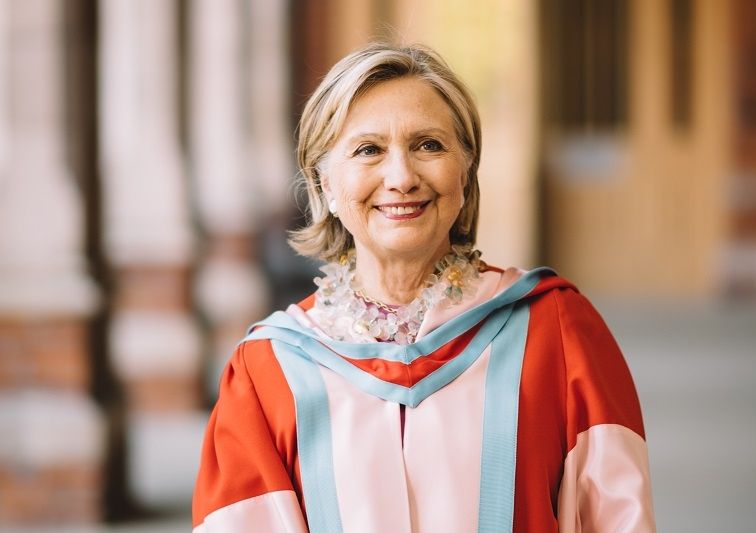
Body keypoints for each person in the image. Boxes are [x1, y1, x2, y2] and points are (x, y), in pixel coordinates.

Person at [192, 43, 655, 532]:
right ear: (324, 183)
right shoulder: (270, 371)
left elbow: (617, 519)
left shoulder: (557, 333)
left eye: (429, 145)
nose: (402, 177)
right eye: (368, 150)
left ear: (466, 171)